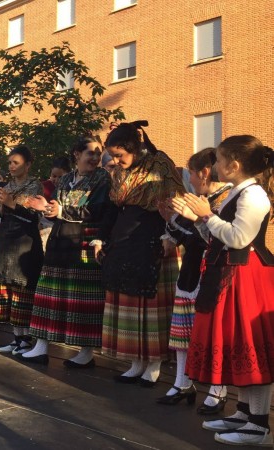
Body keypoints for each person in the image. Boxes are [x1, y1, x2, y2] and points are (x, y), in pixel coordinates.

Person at [175, 136, 274, 447]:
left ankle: (259, 424)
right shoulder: (238, 191)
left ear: (235, 165)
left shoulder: (254, 195)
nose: (214, 166)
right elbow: (216, 238)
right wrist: (199, 220)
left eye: (218, 160)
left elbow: (239, 237)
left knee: (250, 343)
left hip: (246, 275)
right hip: (230, 274)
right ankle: (244, 412)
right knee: (237, 343)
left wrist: (206, 215)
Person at [94, 122, 184, 386]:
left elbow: (174, 203)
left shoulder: (160, 165)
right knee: (129, 307)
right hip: (123, 242)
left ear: (134, 148)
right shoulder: (120, 175)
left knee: (149, 307)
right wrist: (101, 238)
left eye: (120, 155)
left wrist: (171, 235)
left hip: (153, 240)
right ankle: (136, 361)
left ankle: (154, 362)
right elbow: (112, 209)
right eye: (113, 156)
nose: (116, 161)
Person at [22, 137, 111, 366]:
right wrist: (47, 208)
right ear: (77, 154)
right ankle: (41, 345)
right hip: (59, 240)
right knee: (50, 294)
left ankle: (86, 351)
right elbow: (56, 207)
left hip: (83, 242)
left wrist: (59, 209)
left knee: (81, 299)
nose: (94, 157)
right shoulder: (66, 179)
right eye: (90, 153)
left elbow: (95, 209)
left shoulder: (101, 178)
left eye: (97, 153)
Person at [155, 148, 231, 411]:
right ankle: (182, 382)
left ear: (203, 173)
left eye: (191, 174)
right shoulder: (205, 198)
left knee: (210, 334)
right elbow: (190, 236)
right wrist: (172, 221)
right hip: (191, 270)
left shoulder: (225, 200)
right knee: (183, 333)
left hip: (212, 273)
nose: (191, 180)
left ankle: (217, 389)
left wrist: (194, 217)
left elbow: (217, 239)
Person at [0, 146, 44, 355]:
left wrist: (11, 204)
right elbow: (4, 212)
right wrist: (0, 210)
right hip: (6, 239)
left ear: (27, 165)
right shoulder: (6, 185)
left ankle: (26, 338)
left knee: (22, 288)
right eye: (10, 162)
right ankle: (16, 336)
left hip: (25, 241)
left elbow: (34, 216)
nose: (11, 166)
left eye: (16, 163)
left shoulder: (34, 185)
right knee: (8, 288)